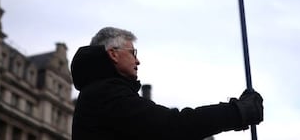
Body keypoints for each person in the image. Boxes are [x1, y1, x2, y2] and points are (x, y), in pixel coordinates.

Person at [71, 27, 264, 140]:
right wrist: (238, 112)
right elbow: (173, 125)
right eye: (133, 53)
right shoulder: (106, 94)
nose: (138, 61)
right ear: (113, 53)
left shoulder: (100, 92)